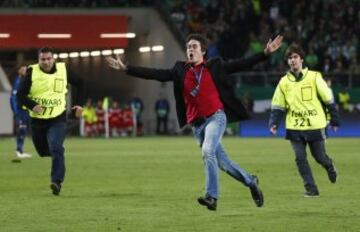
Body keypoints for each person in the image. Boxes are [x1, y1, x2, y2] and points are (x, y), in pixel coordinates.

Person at [107, 33, 283, 210]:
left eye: (194, 47)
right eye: (188, 47)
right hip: (197, 126)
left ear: (203, 51)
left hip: (216, 117)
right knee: (224, 164)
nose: (190, 49)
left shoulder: (215, 66)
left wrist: (265, 53)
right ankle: (251, 181)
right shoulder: (179, 70)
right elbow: (155, 74)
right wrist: (127, 68)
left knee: (207, 151)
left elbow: (241, 64)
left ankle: (211, 197)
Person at [269, 44, 339, 197]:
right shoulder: (284, 82)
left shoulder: (314, 77)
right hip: (294, 127)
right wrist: (274, 123)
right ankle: (311, 189)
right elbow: (278, 104)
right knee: (300, 158)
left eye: (295, 57)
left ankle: (329, 165)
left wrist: (334, 120)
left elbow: (328, 99)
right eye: (289, 58)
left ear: (301, 59)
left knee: (319, 157)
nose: (292, 60)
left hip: (315, 125)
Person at [17, 47, 83, 196]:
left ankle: (56, 182)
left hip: (57, 117)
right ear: (38, 60)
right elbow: (20, 95)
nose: (46, 62)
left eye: (48, 59)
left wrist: (79, 104)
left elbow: (81, 82)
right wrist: (33, 106)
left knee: (56, 147)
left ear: (53, 58)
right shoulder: (31, 72)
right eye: (43, 59)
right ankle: (58, 152)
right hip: (37, 120)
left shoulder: (63, 69)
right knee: (42, 151)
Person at [10, 65, 32, 160]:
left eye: (26, 69)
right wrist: (16, 111)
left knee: (25, 129)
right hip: (20, 110)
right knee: (22, 129)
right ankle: (19, 150)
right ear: (18, 71)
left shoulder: (25, 81)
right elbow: (13, 98)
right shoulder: (18, 82)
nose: (24, 71)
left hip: (25, 109)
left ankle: (20, 150)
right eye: (22, 69)